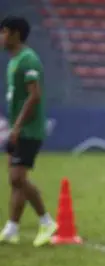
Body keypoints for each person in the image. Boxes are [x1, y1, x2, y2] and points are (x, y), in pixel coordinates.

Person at [0, 16, 57, 246]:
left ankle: (47, 221)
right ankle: (12, 229)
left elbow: (35, 96)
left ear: (15, 34)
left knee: (17, 177)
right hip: (19, 128)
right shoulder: (13, 61)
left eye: (3, 31)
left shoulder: (28, 60)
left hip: (28, 129)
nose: (1, 37)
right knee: (15, 180)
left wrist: (17, 127)